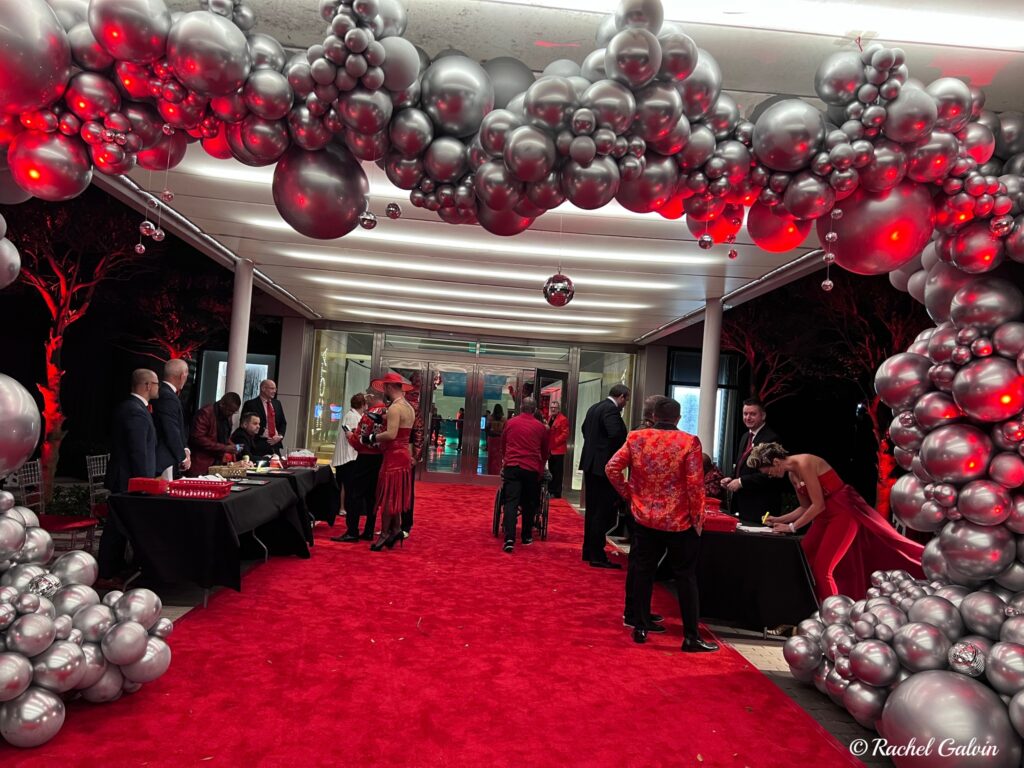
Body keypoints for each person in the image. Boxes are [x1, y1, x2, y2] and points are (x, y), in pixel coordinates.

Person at [606, 397, 719, 653]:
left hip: (645, 518)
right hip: (680, 521)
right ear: (678, 418)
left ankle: (640, 627)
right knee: (685, 577)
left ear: (654, 416)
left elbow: (612, 468)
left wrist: (630, 494)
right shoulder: (688, 442)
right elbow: (695, 485)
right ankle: (691, 637)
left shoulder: (637, 438)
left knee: (643, 572)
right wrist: (698, 519)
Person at [748, 443, 926, 602]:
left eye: (769, 471)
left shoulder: (805, 463)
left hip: (842, 514)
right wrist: (778, 520)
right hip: (823, 517)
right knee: (802, 560)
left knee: (822, 569)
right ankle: (804, 609)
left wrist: (791, 527)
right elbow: (804, 507)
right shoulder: (792, 475)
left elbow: (818, 505)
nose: (770, 476)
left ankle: (832, 616)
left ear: (776, 462)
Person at [99, 369, 159, 579]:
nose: (158, 388)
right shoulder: (134, 410)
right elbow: (137, 451)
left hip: (127, 478)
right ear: (147, 385)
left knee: (119, 526)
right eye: (156, 384)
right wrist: (144, 483)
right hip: (128, 480)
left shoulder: (132, 408)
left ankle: (114, 568)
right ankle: (108, 571)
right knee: (117, 527)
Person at [622, 395, 670, 633]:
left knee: (640, 563)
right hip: (648, 508)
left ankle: (636, 611)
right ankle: (635, 613)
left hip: (639, 505)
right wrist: (628, 492)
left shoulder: (638, 433)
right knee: (642, 565)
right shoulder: (645, 435)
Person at [579, 383, 630, 569]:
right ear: (622, 396)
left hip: (591, 464)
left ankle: (589, 550)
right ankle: (597, 554)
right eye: (626, 400)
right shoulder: (611, 410)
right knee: (602, 510)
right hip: (603, 467)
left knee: (592, 510)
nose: (625, 404)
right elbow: (615, 435)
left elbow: (584, 429)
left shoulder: (595, 407)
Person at [363, 372, 415, 551]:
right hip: (403, 455)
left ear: (390, 387)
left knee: (387, 496)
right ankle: (396, 530)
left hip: (393, 456)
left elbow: (391, 434)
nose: (383, 390)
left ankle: (385, 533)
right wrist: (383, 419)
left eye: (385, 387)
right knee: (396, 496)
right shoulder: (408, 407)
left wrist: (371, 438)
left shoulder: (394, 408)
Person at [499, 398, 550, 553]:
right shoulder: (540, 427)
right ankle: (526, 535)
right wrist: (541, 467)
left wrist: (506, 460)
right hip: (531, 469)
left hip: (512, 466)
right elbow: (545, 451)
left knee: (511, 502)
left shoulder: (510, 423)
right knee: (529, 503)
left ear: (521, 407)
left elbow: (503, 444)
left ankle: (509, 538)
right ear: (534, 410)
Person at [720, 398, 783, 524]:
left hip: (760, 506)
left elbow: (771, 475)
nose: (748, 417)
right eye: (745, 414)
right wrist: (732, 478)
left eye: (752, 414)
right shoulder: (745, 436)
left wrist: (741, 481)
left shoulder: (771, 439)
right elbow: (742, 465)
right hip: (741, 505)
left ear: (763, 416)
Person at [345, 390, 387, 540]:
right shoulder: (386, 412)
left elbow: (360, 439)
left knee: (354, 495)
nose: (366, 400)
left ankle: (352, 531)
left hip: (365, 457)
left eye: (367, 396)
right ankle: (369, 530)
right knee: (372, 497)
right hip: (380, 458)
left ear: (372, 396)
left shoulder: (369, 414)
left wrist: (350, 436)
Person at [330, 393, 366, 543]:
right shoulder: (352, 417)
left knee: (349, 490)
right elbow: (352, 437)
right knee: (349, 491)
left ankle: (348, 518)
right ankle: (347, 519)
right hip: (348, 458)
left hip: (348, 458)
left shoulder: (353, 415)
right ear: (363, 404)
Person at [152, 358, 191, 479]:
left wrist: (185, 449)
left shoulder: (165, 393)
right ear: (182, 376)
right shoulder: (167, 396)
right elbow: (171, 430)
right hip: (163, 462)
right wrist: (183, 458)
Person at [188, 392, 241, 476]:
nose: (231, 414)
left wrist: (232, 446)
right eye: (230, 411)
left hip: (217, 462)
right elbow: (198, 438)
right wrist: (225, 448)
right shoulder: (205, 413)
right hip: (201, 462)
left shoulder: (227, 416)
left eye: (234, 412)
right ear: (222, 404)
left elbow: (223, 436)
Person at [242, 379, 287, 456]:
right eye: (272, 388)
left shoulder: (277, 403)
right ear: (263, 388)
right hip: (258, 444)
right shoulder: (250, 404)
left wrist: (280, 436)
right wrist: (262, 432)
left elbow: (283, 422)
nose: (274, 391)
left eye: (275, 389)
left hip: (275, 445)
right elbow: (245, 424)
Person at [547, 401, 569, 498]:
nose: (553, 409)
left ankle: (556, 492)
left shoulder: (563, 419)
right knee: (551, 471)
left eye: (555, 408)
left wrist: (554, 442)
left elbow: (565, 434)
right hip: (551, 449)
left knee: (557, 472)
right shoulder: (550, 418)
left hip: (558, 450)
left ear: (558, 409)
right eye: (551, 407)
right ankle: (551, 490)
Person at [485, 403, 506, 475]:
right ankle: (497, 472)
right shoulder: (504, 419)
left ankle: (490, 472)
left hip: (491, 439)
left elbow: (487, 429)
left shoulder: (490, 418)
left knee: (491, 456)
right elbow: (505, 430)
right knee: (498, 457)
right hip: (499, 439)